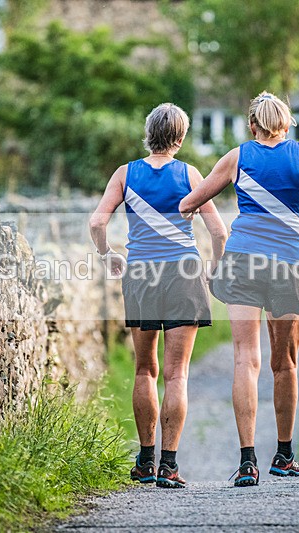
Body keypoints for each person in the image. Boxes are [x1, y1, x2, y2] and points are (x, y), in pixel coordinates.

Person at [179, 91, 299, 487]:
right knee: (285, 362)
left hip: (243, 260)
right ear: (287, 124)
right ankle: (284, 456)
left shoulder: (237, 157)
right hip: (289, 263)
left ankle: (247, 461)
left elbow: (189, 203)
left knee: (245, 359)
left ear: (252, 125)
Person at [89, 103, 227, 489]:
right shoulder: (190, 174)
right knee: (176, 373)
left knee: (144, 369)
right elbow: (219, 232)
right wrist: (214, 268)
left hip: (141, 275)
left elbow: (97, 221)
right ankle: (169, 466)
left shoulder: (125, 174)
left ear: (148, 133)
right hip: (184, 275)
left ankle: (145, 460)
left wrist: (107, 254)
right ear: (179, 139)